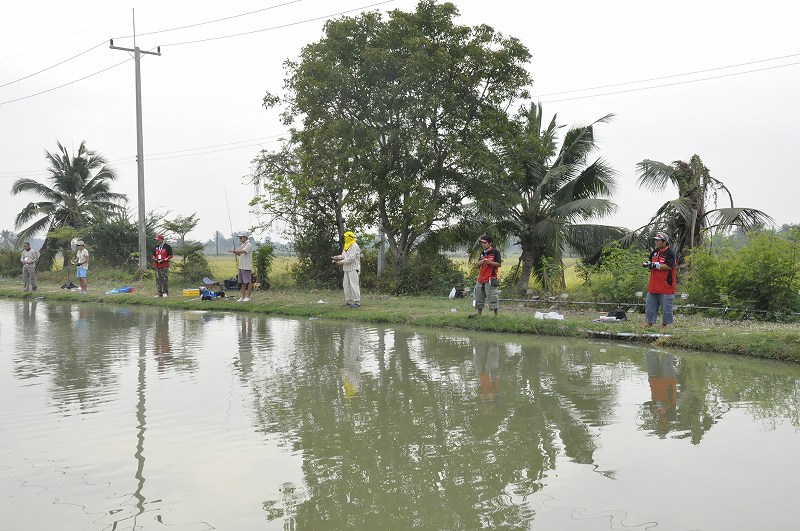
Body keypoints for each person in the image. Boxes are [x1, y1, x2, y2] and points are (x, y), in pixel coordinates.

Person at [642, 231, 677, 329]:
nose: (656, 242)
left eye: (658, 240)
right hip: (653, 285)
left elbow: (669, 266)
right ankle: (649, 323)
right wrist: (647, 263)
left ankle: (664, 324)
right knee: (650, 305)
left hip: (666, 285)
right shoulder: (655, 251)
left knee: (666, 307)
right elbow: (650, 260)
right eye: (655, 240)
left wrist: (656, 265)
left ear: (664, 242)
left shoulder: (670, 253)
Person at [473, 235, 501, 316]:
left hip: (491, 279)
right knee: (479, 297)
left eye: (485, 243)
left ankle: (496, 315)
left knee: (493, 297)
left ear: (490, 243)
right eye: (482, 243)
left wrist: (489, 262)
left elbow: (499, 264)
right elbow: (476, 266)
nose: (483, 245)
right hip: (481, 279)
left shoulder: (495, 252)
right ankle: (479, 314)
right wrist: (480, 262)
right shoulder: (482, 254)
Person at [332, 231, 361, 308]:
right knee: (346, 285)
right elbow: (343, 255)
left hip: (353, 268)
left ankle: (357, 302)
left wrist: (341, 262)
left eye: (345, 237)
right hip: (346, 268)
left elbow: (351, 258)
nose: (344, 238)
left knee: (354, 285)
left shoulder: (354, 245)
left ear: (349, 237)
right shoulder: (346, 245)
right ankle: (349, 301)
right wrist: (337, 257)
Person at [228, 232, 253, 302]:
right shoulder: (243, 245)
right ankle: (242, 297)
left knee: (248, 282)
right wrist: (235, 252)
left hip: (246, 266)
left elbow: (243, 252)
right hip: (241, 266)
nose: (240, 239)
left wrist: (235, 251)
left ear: (245, 237)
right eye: (239, 238)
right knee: (242, 282)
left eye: (241, 238)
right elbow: (240, 254)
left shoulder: (249, 244)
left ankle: (248, 297)